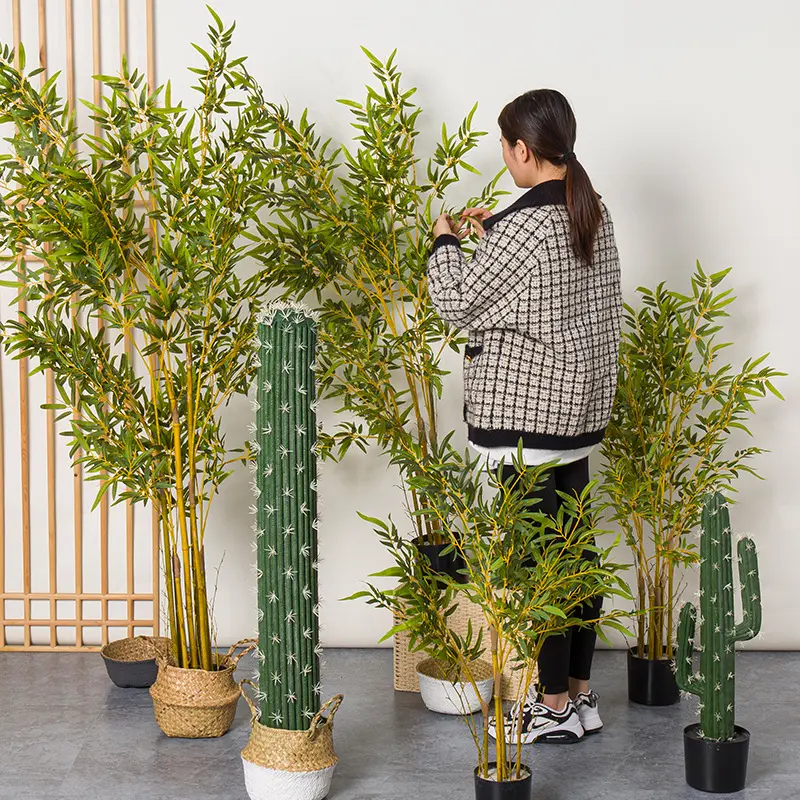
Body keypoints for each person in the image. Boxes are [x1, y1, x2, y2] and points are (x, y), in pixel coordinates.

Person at [426, 89, 622, 744]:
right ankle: (583, 698)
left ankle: (554, 705)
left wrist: (445, 240)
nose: (503, 158)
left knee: (540, 566)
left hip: (526, 423)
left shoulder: (526, 226)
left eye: (504, 147)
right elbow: (547, 296)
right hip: (577, 412)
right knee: (577, 554)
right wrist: (493, 235)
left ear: (523, 149)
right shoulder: (590, 209)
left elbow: (455, 302)